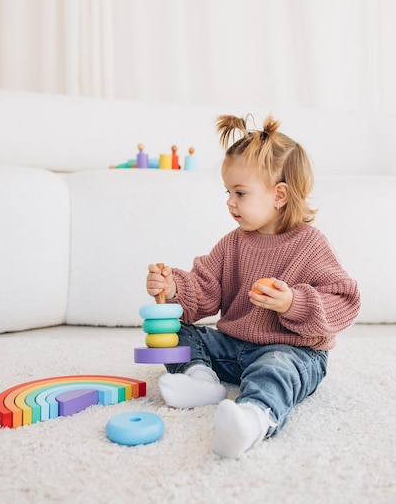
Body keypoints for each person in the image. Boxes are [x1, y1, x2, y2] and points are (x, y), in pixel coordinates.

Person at [146, 113, 361, 458]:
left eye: (240, 193)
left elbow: (345, 301)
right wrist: (173, 288)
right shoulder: (233, 243)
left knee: (275, 369)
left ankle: (252, 418)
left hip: (293, 349)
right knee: (176, 330)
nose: (230, 202)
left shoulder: (310, 244)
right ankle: (200, 380)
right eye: (228, 192)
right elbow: (205, 288)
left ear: (279, 195)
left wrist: (293, 303)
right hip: (232, 346)